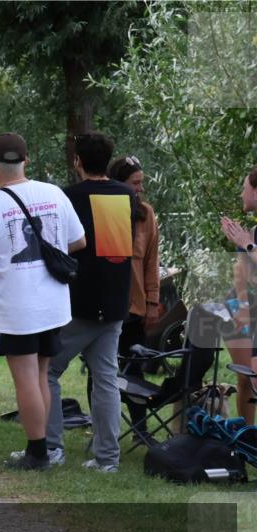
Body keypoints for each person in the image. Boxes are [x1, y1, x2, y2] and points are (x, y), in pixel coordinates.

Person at [0, 132, 86, 471]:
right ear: (26, 161)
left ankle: (36, 453)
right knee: (43, 374)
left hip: (18, 308)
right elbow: (79, 241)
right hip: (53, 304)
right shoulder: (53, 193)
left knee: (26, 380)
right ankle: (44, 447)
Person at [39, 132, 135, 473]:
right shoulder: (125, 195)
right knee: (106, 377)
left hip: (79, 302)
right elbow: (115, 253)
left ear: (77, 161)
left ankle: (52, 449)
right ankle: (108, 459)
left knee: (48, 370)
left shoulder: (69, 196)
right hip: (114, 300)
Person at [108, 155, 161, 438]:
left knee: (134, 370)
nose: (140, 188)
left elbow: (151, 261)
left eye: (141, 182)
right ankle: (104, 428)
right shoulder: (104, 211)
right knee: (101, 371)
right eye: (134, 183)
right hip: (106, 305)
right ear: (119, 184)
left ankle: (140, 429)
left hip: (136, 307)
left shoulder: (147, 214)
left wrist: (152, 301)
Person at [219, 165, 257, 423]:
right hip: (247, 308)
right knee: (245, 377)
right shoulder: (253, 232)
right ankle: (247, 439)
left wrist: (247, 245)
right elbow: (241, 269)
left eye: (244, 189)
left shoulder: (250, 238)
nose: (242, 195)